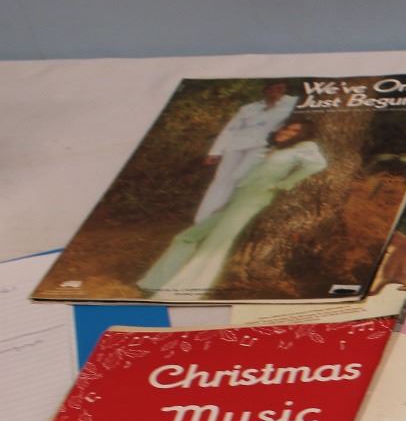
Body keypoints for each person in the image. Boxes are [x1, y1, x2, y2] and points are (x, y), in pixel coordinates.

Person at [138, 117, 327, 298]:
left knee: (215, 245)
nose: (287, 132)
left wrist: (283, 184)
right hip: (237, 199)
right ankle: (155, 282)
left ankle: (183, 292)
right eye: (287, 128)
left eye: (295, 131)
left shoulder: (304, 147)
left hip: (254, 199)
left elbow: (318, 164)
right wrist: (227, 203)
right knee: (185, 237)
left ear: (303, 135)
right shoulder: (275, 148)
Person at [194, 82, 298, 223]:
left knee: (241, 178)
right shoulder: (249, 108)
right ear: (265, 90)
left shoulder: (292, 103)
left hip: (261, 146)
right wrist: (216, 151)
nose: (276, 91)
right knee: (221, 179)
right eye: (271, 88)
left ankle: (225, 218)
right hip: (235, 146)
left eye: (280, 88)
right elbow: (230, 129)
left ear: (285, 89)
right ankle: (203, 219)